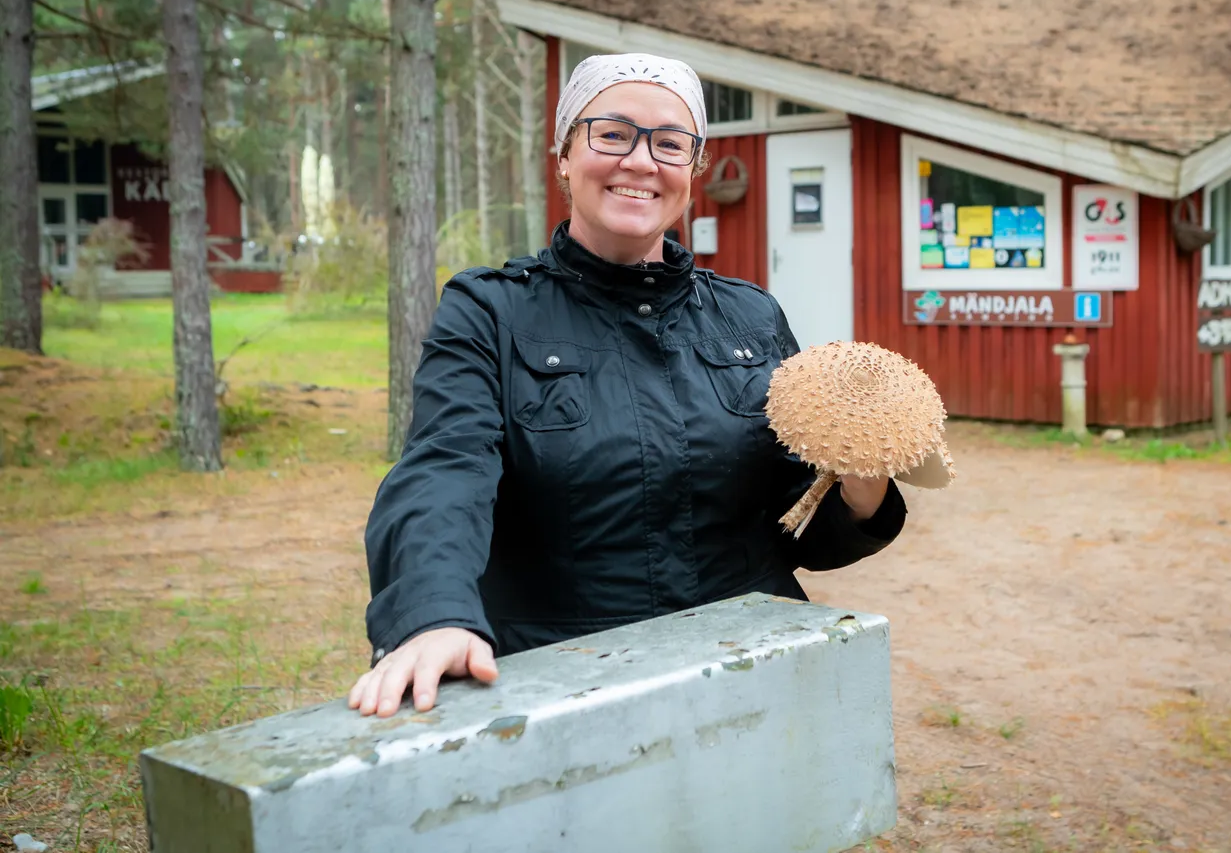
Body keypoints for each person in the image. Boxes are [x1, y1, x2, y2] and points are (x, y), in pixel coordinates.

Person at [348, 52, 908, 719]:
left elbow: (795, 526)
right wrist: (431, 612)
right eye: (611, 133)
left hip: (751, 678)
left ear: (694, 171)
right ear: (562, 154)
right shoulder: (490, 312)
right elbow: (445, 468)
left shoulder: (751, 317)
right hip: (566, 686)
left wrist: (862, 487)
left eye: (671, 143)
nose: (640, 161)